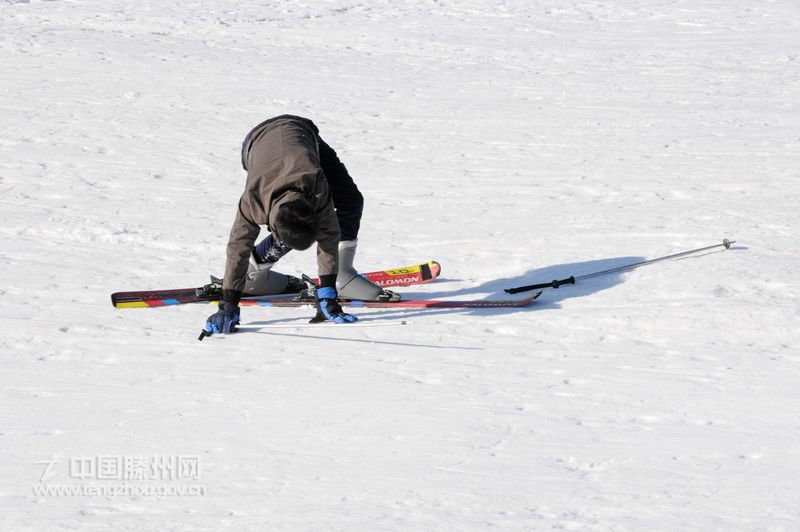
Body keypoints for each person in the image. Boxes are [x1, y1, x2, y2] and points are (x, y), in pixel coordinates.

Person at [203, 115, 391, 335]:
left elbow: (328, 234)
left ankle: (340, 274)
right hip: (256, 143)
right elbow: (237, 248)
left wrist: (327, 289)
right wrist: (229, 304)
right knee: (288, 233)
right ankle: (253, 271)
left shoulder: (316, 184)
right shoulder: (253, 201)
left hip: (301, 131)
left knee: (350, 201)